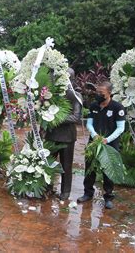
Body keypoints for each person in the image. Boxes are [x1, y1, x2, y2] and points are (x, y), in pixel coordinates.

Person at [77, 82, 125, 209]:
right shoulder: (94, 106)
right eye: (97, 92)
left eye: (101, 93)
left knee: (108, 170)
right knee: (89, 168)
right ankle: (88, 193)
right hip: (94, 143)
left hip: (110, 145)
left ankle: (108, 197)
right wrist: (95, 136)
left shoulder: (118, 108)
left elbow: (120, 128)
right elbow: (89, 124)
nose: (98, 95)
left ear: (109, 93)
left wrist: (107, 139)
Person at [45, 69, 82, 200]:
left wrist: (55, 118)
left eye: (68, 78)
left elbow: (76, 117)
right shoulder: (50, 94)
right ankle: (47, 187)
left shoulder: (75, 95)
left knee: (66, 165)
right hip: (51, 135)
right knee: (48, 163)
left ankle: (65, 191)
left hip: (67, 136)